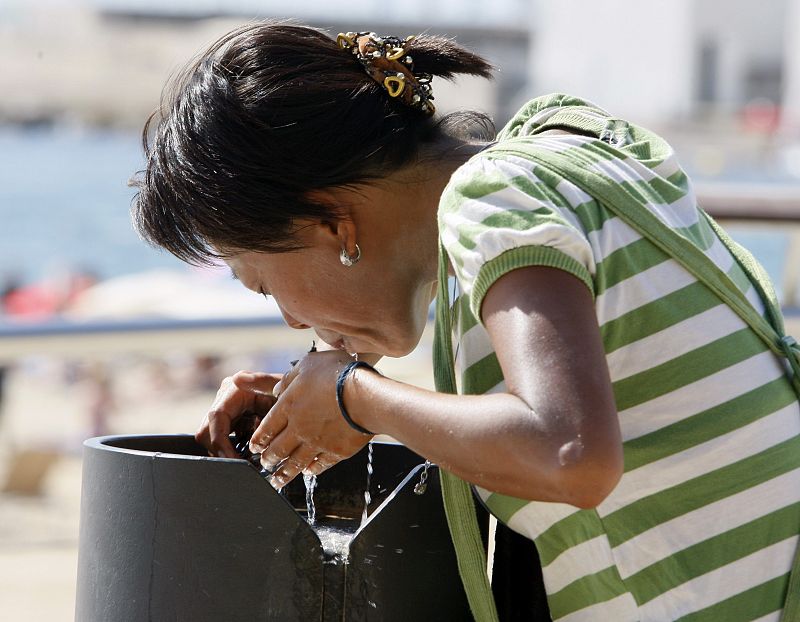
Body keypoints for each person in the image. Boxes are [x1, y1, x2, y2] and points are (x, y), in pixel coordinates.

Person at [132, 22, 800, 621]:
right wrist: (322, 405)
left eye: (262, 284)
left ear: (330, 223)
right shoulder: (558, 152)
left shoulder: (491, 198)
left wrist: (354, 397)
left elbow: (569, 453)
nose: (289, 318)